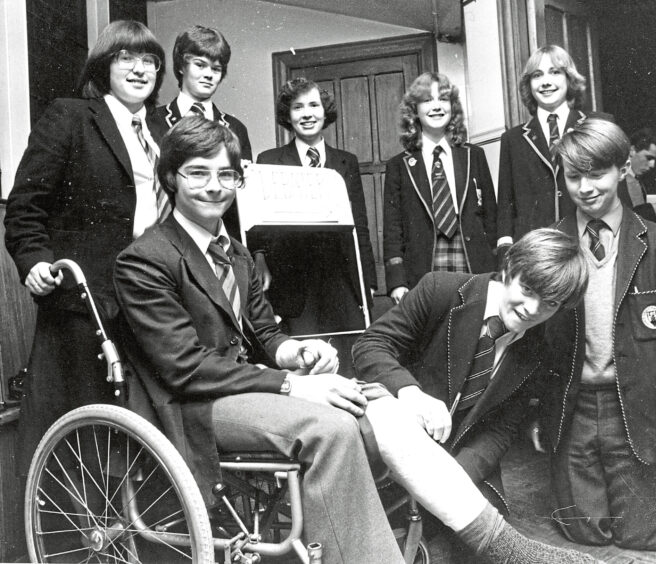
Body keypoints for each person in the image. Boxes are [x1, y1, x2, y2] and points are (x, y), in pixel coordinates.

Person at [115, 116, 600, 564]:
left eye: (226, 175)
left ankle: (454, 547)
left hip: (243, 389)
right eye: (198, 174)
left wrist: (296, 351)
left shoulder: (236, 255)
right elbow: (183, 367)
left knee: (374, 404)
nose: (214, 187)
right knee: (333, 429)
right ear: (170, 177)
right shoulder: (146, 259)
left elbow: (264, 333)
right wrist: (292, 383)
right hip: (190, 404)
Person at [354, 227, 592, 561]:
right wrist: (409, 392)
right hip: (390, 452)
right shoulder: (442, 290)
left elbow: (502, 429)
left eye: (550, 303)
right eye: (527, 289)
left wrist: (446, 481)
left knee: (471, 550)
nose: (531, 310)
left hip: (465, 462)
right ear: (509, 268)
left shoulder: (542, 345)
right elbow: (370, 345)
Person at [537, 117, 656, 550]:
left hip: (637, 409)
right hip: (573, 411)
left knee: (645, 537)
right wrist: (538, 414)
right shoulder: (551, 243)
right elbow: (533, 345)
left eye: (598, 173)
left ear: (623, 170)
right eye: (574, 175)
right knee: (583, 536)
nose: (586, 187)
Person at [3, 20, 167, 474]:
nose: (140, 70)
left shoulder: (158, 131)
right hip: (84, 300)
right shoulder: (72, 116)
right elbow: (25, 206)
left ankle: (139, 534)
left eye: (150, 61)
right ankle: (72, 539)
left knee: (139, 428)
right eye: (126, 58)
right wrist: (34, 260)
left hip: (146, 296)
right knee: (78, 433)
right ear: (104, 66)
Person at [254, 77, 377, 370]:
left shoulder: (346, 161)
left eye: (313, 105)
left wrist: (368, 281)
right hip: (292, 282)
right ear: (288, 115)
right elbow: (259, 223)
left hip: (340, 278)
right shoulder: (269, 159)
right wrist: (259, 258)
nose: (307, 114)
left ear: (326, 111)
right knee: (304, 363)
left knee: (347, 361)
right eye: (298, 107)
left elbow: (359, 223)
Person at [383, 71, 497, 304]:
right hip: (425, 266)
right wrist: (397, 281)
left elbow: (491, 218)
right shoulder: (399, 166)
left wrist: (498, 272)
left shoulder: (474, 156)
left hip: (472, 262)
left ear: (452, 107)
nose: (436, 106)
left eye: (442, 99)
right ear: (414, 110)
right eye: (427, 100)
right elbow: (393, 228)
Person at [496, 45, 604, 260]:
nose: (546, 82)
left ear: (569, 79)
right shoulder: (512, 139)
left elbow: (618, 196)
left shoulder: (597, 125)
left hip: (589, 246)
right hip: (534, 252)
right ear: (529, 85)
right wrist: (505, 254)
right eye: (537, 75)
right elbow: (505, 207)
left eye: (555, 72)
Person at [152, 24, 251, 238]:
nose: (209, 75)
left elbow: (244, 198)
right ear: (181, 67)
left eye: (216, 69)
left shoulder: (236, 128)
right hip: (167, 237)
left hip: (222, 238)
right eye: (200, 65)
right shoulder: (153, 120)